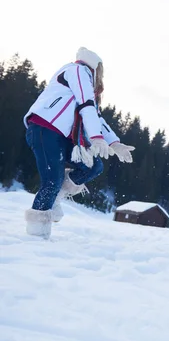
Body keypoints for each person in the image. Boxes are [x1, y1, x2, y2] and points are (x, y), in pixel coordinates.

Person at [23, 47, 135, 239]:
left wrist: (115, 143)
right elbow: (86, 105)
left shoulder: (85, 83)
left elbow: (96, 118)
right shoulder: (77, 71)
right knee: (51, 181)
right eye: (100, 72)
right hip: (44, 129)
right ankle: (36, 235)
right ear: (94, 68)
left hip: (62, 138)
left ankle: (57, 196)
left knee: (93, 166)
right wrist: (96, 138)